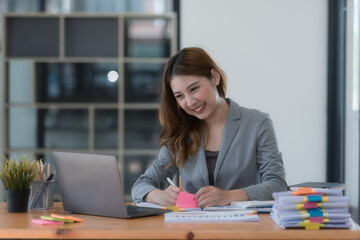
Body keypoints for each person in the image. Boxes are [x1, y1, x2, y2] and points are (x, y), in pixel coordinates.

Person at [131, 47, 287, 208]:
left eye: (194, 89)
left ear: (214, 77)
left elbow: (277, 184)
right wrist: (160, 196)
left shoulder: (257, 123)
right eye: (180, 96)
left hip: (244, 228)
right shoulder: (181, 132)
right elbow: (140, 185)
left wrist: (229, 196)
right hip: (192, 230)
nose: (190, 102)